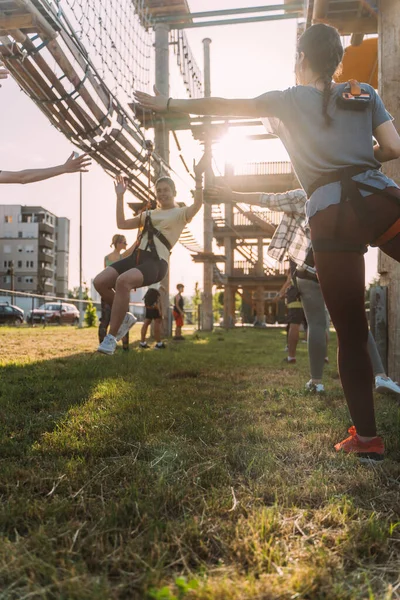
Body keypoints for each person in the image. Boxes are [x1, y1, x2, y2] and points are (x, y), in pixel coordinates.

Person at [135, 23, 400, 461]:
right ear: (337, 61)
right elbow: (392, 147)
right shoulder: (364, 92)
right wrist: (358, 156)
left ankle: (368, 440)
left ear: (301, 60)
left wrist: (167, 103)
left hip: (331, 217)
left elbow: (224, 105)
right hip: (376, 197)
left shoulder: (287, 99)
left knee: (351, 333)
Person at [206, 185, 400, 396]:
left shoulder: (303, 196)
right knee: (358, 322)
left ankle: (316, 382)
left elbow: (266, 199)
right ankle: (381, 376)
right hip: (343, 266)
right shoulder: (347, 190)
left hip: (309, 268)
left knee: (316, 324)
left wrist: (231, 194)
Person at [94, 166, 204, 356]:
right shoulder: (149, 214)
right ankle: (125, 317)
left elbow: (197, 205)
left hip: (156, 262)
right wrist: (120, 196)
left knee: (123, 281)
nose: (162, 194)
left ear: (174, 192)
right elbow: (121, 224)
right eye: (158, 191)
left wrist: (198, 182)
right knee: (100, 282)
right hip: (136, 258)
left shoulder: (180, 213)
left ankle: (111, 338)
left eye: (166, 190)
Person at [99, 234, 137, 351]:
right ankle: (125, 348)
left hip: (107, 293)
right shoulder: (123, 257)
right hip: (120, 294)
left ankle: (102, 345)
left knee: (105, 321)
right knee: (124, 319)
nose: (126, 245)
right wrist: (139, 235)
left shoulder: (106, 258)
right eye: (125, 242)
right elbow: (135, 246)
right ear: (119, 243)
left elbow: (105, 277)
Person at [140, 283, 165, 349]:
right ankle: (159, 344)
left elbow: (158, 285)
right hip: (154, 296)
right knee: (157, 322)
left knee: (147, 321)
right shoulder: (158, 275)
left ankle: (142, 343)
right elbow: (159, 301)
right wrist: (160, 311)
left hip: (148, 296)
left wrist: (163, 288)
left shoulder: (152, 277)